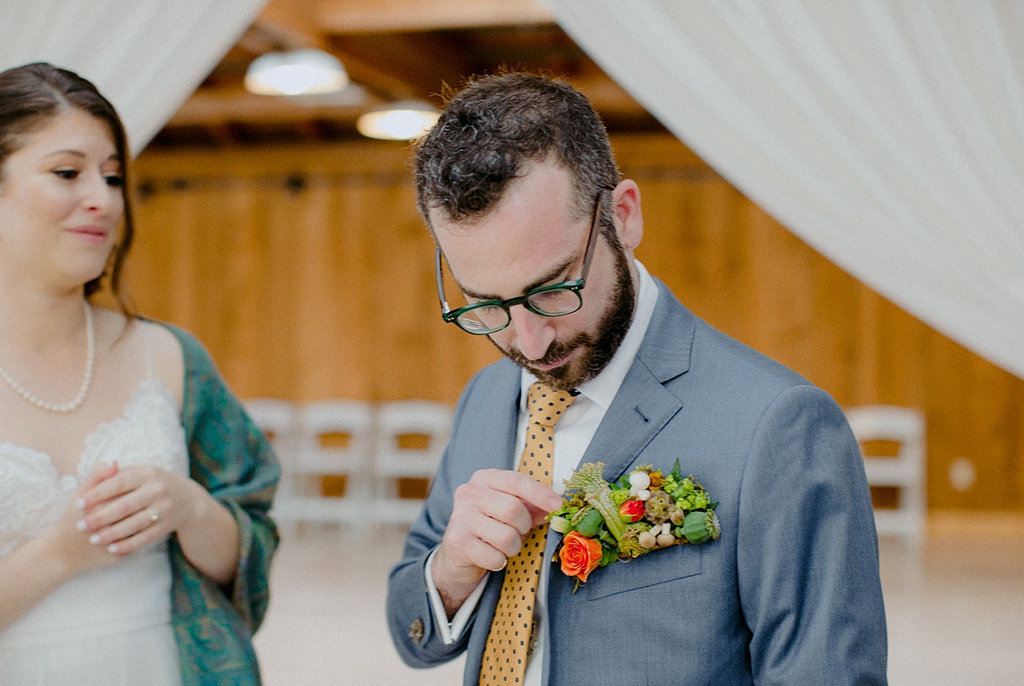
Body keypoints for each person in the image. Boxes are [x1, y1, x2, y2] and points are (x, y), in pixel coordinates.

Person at [386, 72, 887, 685]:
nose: (531, 344)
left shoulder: (780, 425)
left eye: (553, 288)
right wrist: (451, 574)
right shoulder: (486, 397)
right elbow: (411, 632)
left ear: (622, 217)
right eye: (485, 304)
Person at [0, 62, 279, 685]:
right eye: (67, 172)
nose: (102, 198)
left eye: (114, 176)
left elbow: (250, 542)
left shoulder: (170, 356)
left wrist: (191, 509)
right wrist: (60, 554)